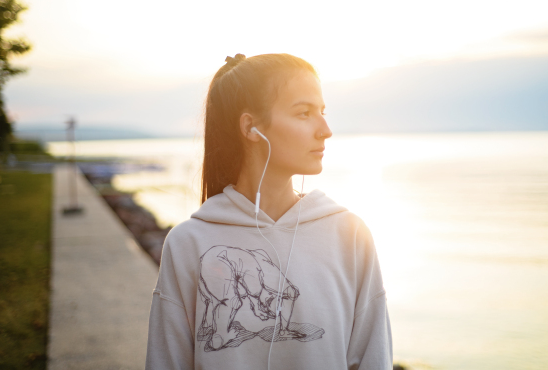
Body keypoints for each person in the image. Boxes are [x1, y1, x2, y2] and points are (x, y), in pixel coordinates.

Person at [145, 53, 392, 370]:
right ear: (251, 127)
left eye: (323, 112)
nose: (326, 130)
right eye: (304, 113)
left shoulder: (349, 235)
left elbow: (373, 359)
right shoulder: (188, 242)